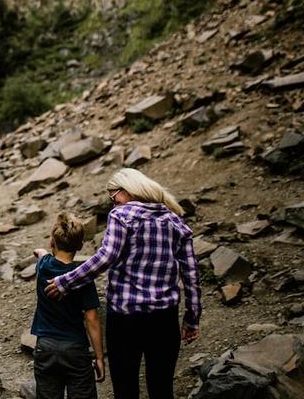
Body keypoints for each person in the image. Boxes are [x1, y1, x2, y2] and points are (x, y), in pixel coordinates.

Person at [45, 168, 202, 399]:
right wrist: (192, 318)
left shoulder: (121, 215)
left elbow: (106, 257)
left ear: (128, 190)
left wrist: (66, 282)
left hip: (125, 319)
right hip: (164, 319)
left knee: (125, 390)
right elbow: (191, 274)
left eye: (113, 196)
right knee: (162, 389)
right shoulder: (175, 221)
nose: (113, 203)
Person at [31, 213, 105, 399]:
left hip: (45, 346)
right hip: (75, 348)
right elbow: (92, 318)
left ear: (52, 241)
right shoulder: (82, 277)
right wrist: (99, 357)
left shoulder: (43, 266)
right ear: (80, 245)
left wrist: (41, 251)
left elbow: (43, 255)